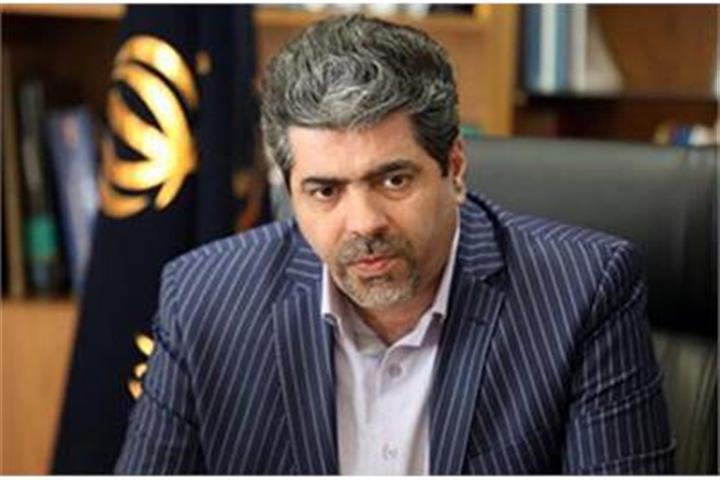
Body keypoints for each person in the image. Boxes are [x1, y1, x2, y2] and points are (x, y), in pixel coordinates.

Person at [115, 14, 674, 474]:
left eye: (394, 180)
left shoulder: (583, 292)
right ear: (288, 189)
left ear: (455, 168)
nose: (363, 223)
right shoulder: (204, 299)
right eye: (325, 191)